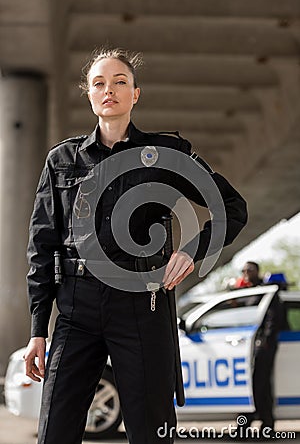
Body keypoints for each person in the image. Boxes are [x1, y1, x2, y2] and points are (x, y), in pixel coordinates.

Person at [23, 47, 248, 444]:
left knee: (151, 434)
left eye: (120, 82)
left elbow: (232, 206)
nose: (109, 90)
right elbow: (43, 244)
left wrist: (192, 249)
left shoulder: (166, 153)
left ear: (135, 94)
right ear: (89, 95)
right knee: (54, 432)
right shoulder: (61, 160)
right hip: (77, 307)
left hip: (142, 307)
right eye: (99, 83)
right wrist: (38, 330)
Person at [237, 261, 281, 436]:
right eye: (244, 270)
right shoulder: (246, 292)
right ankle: (247, 424)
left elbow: (273, 318)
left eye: (250, 270)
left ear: (258, 271)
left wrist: (266, 341)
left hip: (262, 346)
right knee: (247, 385)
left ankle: (265, 424)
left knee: (260, 384)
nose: (246, 272)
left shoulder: (267, 291)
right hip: (244, 346)